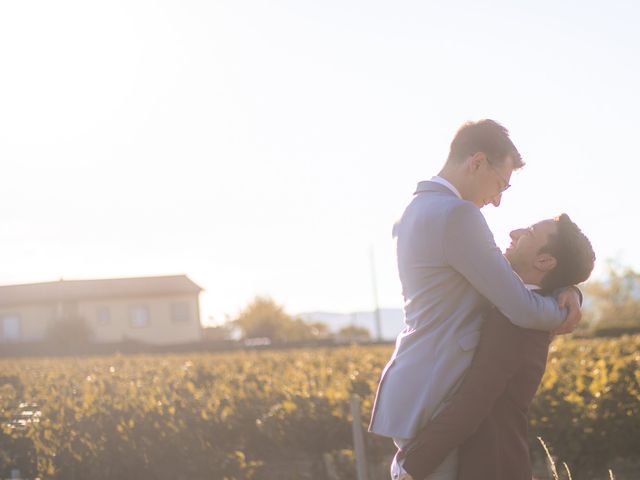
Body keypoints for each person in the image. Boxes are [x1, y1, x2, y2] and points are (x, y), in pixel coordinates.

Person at [368, 120, 582, 480]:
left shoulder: (418, 208)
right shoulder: (458, 215)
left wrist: (568, 286)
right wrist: (566, 309)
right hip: (438, 388)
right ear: (477, 162)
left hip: (416, 379)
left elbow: (506, 281)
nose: (497, 200)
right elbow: (521, 306)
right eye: (501, 184)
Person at [400, 214, 596, 480]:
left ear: (544, 261)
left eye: (528, 231)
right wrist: (569, 288)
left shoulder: (516, 321)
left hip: (487, 465)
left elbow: (475, 400)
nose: (514, 232)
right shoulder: (527, 307)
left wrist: (412, 466)